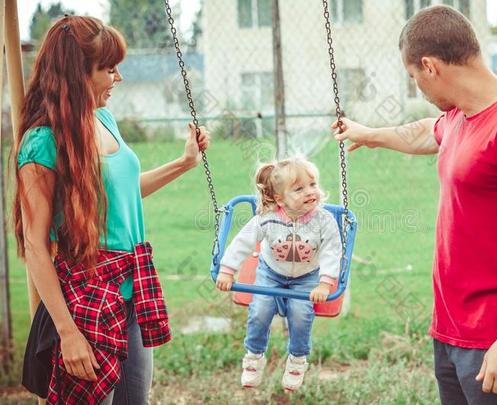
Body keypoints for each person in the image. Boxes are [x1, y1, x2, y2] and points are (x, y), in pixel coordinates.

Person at [332, 5, 497, 405]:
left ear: (430, 66)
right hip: (454, 330)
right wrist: (371, 134)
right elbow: (426, 133)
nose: (418, 88)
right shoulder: (461, 114)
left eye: (413, 77)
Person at [14, 16, 209, 404]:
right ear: (77, 74)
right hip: (86, 300)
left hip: (133, 289)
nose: (117, 78)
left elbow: (120, 194)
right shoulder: (42, 143)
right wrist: (67, 332)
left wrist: (183, 163)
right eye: (108, 69)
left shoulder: (103, 118)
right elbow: (36, 247)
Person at [215, 156, 341, 392]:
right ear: (279, 199)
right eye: (299, 188)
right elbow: (242, 243)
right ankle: (254, 356)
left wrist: (324, 284)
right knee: (260, 311)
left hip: (307, 276)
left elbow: (332, 251)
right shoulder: (267, 219)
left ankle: (297, 359)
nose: (310, 192)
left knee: (301, 314)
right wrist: (227, 270)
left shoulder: (324, 220)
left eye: (312, 185)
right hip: (271, 273)